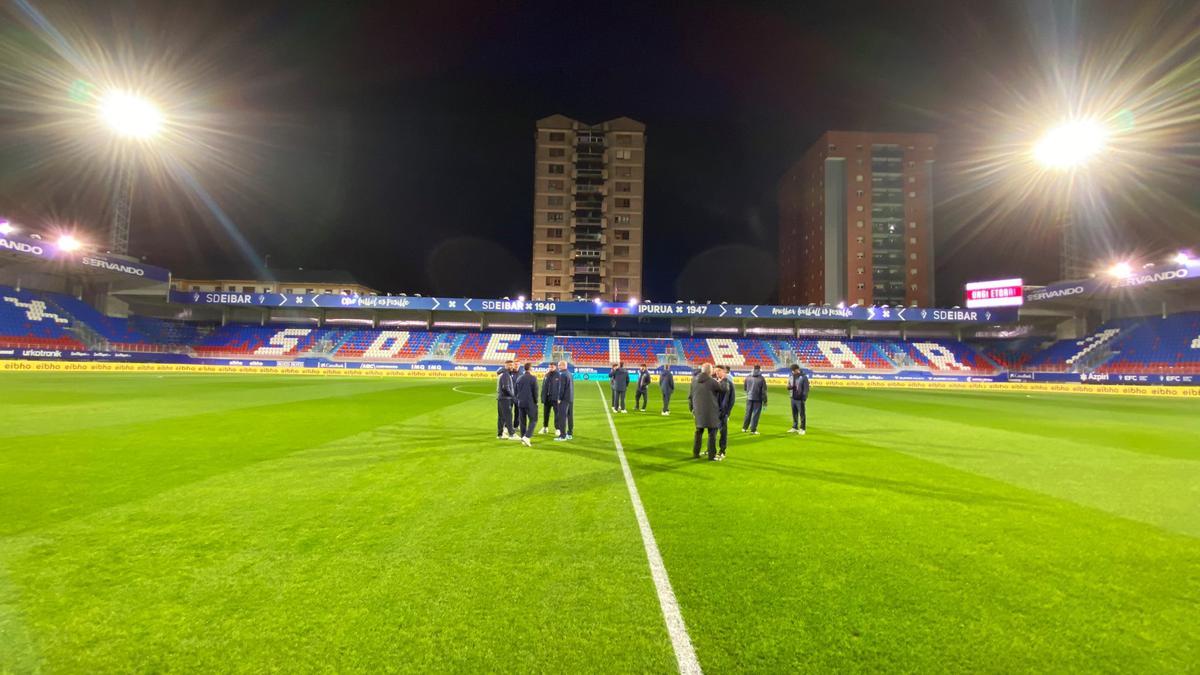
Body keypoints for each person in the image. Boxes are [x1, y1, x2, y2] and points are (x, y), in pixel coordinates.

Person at [689, 363, 722, 460]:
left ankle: (696, 453)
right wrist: (720, 381)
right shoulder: (712, 381)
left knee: (698, 432)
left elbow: (690, 397)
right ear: (710, 371)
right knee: (712, 433)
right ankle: (711, 455)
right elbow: (722, 389)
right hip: (711, 412)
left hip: (698, 411)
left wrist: (692, 409)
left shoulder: (694, 380)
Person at [514, 362, 538, 447]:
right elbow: (535, 392)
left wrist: (518, 400)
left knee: (522, 421)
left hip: (520, 402)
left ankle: (523, 437)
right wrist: (536, 401)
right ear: (530, 368)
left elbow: (515, 391)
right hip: (530, 402)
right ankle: (527, 437)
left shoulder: (519, 378)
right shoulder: (533, 378)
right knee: (534, 419)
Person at [714, 365, 735, 460]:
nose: (717, 372)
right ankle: (711, 450)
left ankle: (722, 451)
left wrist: (726, 412)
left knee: (723, 432)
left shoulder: (729, 383)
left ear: (724, 371)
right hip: (714, 412)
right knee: (712, 432)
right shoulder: (716, 382)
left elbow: (731, 400)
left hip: (722, 413)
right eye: (716, 371)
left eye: (719, 370)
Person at [742, 364, 768, 434]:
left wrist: (749, 393)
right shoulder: (761, 378)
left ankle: (744, 428)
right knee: (755, 414)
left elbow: (745, 387)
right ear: (760, 369)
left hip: (749, 398)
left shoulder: (747, 377)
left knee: (748, 413)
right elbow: (763, 391)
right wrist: (765, 401)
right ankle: (753, 429)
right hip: (758, 399)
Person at [553, 360, 575, 441]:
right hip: (570, 398)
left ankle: (562, 436)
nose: (558, 367)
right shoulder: (569, 373)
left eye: (559, 365)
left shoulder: (562, 375)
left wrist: (559, 398)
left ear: (563, 365)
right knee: (570, 416)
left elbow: (561, 388)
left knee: (562, 417)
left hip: (564, 400)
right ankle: (570, 433)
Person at [787, 364, 811, 435]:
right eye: (792, 371)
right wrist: (789, 387)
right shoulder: (791, 376)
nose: (793, 372)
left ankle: (802, 428)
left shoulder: (803, 377)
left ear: (797, 369)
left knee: (802, 414)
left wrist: (804, 398)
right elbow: (789, 384)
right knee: (794, 413)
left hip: (800, 399)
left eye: (794, 371)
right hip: (793, 398)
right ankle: (795, 427)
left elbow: (806, 389)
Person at [496, 360, 516, 439]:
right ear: (506, 366)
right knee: (508, 416)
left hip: (501, 398)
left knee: (501, 417)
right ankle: (512, 434)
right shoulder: (506, 374)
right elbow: (506, 388)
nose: (511, 366)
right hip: (505, 398)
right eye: (509, 365)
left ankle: (500, 434)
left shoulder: (504, 374)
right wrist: (513, 396)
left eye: (512, 365)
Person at [540, 362, 559, 434]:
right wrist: (542, 397)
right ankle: (545, 427)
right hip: (547, 398)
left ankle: (557, 429)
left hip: (555, 398)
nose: (551, 368)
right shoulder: (546, 375)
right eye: (550, 367)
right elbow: (543, 387)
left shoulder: (558, 375)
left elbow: (561, 388)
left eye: (552, 367)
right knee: (546, 414)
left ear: (555, 367)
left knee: (557, 414)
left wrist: (559, 398)